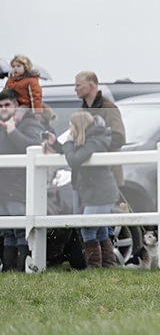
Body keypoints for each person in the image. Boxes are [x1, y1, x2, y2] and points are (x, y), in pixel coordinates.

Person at [46, 112, 120, 268]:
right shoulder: (90, 139)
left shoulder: (95, 141)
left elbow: (74, 159)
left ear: (79, 126)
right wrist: (56, 145)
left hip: (100, 192)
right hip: (91, 191)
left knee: (88, 227)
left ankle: (94, 267)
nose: (69, 129)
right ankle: (106, 266)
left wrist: (68, 143)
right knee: (99, 230)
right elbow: (73, 154)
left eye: (71, 126)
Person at [0, 89, 45, 271]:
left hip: (20, 186)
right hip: (3, 187)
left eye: (7, 105)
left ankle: (21, 268)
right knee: (7, 231)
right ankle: (10, 269)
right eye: (0, 106)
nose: (3, 109)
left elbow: (33, 147)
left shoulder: (29, 123)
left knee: (20, 230)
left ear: (16, 105)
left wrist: (12, 131)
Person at [74, 71, 126, 185]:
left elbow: (119, 137)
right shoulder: (82, 110)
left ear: (91, 85)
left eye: (78, 85)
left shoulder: (108, 108)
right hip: (88, 177)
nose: (75, 89)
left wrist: (92, 143)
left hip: (109, 176)